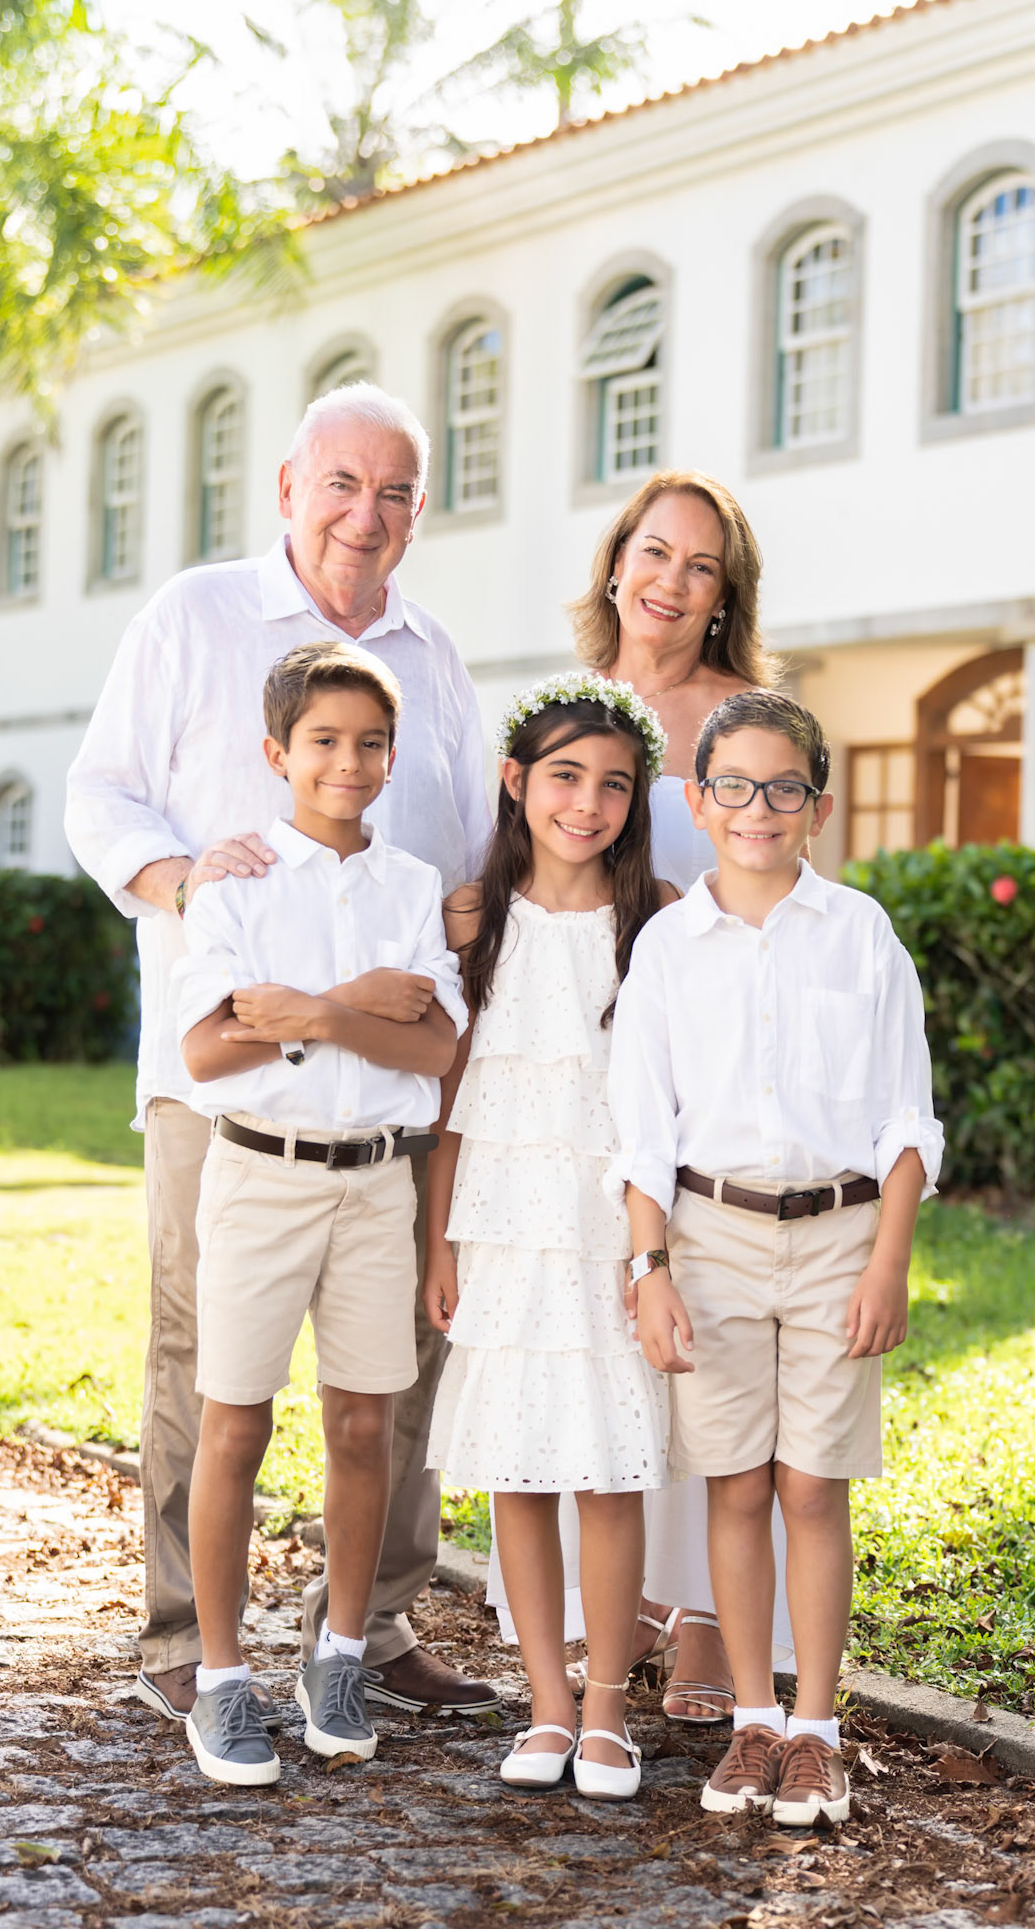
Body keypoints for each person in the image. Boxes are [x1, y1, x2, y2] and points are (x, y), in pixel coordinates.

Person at [65, 384, 497, 1724]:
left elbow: (473, 835)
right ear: (288, 489)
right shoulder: (194, 617)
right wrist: (184, 881)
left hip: (393, 1091)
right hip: (225, 1079)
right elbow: (99, 792)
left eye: (395, 492)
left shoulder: (433, 654)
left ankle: (365, 1630)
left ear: (418, 511)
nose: (366, 514)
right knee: (205, 1357)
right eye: (342, 484)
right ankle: (186, 1640)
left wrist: (467, 918)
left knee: (400, 1361)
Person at [608, 689, 943, 1826]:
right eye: (735, 786)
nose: (759, 807)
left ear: (819, 807)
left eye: (784, 787)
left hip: (843, 1234)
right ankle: (752, 1721)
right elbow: (643, 1131)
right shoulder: (665, 948)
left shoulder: (860, 932)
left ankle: (816, 1729)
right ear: (697, 802)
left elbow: (907, 1118)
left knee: (812, 1482)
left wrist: (888, 1261)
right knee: (738, 1482)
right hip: (710, 1238)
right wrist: (650, 1269)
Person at [172, 642, 467, 1784]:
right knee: (235, 1427)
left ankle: (338, 1656)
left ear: (392, 757)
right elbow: (208, 1051)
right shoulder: (235, 884)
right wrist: (352, 1004)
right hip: (261, 1178)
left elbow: (433, 1048)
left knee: (362, 1426)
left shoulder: (410, 886)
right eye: (325, 741)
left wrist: (307, 1014)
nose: (349, 762)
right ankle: (219, 1679)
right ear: (277, 753)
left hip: (377, 1182)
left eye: (371, 743)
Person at [423, 674, 674, 1800]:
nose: (588, 803)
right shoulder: (469, 917)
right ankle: (545, 1705)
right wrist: (438, 1244)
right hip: (501, 1226)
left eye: (614, 784)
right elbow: (448, 1100)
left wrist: (654, 1253)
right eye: (565, 776)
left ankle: (609, 1709)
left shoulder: (655, 915)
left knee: (609, 1467)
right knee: (517, 1465)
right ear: (515, 781)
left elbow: (669, 1096)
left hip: (611, 1227)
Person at [564, 469, 786, 1721]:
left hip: (712, 1066)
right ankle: (635, 1589)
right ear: (617, 562)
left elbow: (779, 890)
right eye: (656, 552)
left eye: (702, 566)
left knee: (706, 1324)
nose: (672, 580)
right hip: (581, 1058)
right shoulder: (565, 711)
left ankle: (707, 1606)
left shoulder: (743, 721)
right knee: (612, 1327)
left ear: (724, 595)